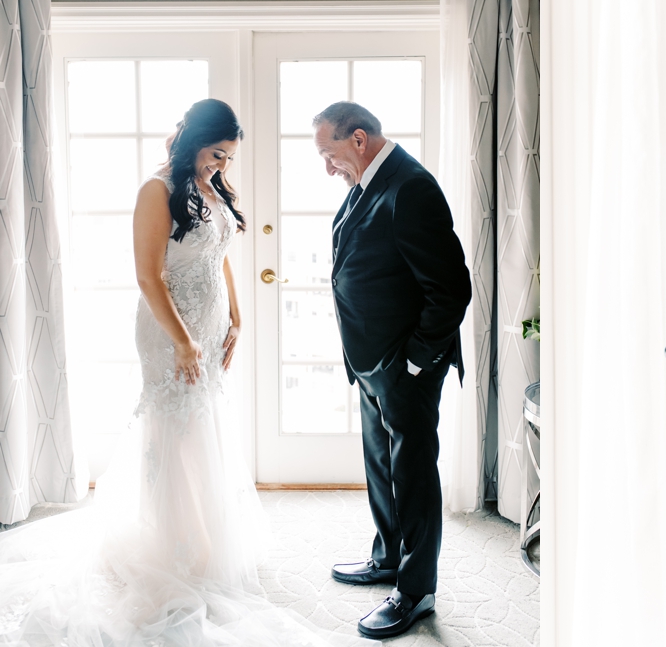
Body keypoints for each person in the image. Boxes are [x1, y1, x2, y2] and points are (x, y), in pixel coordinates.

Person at [0, 99, 356, 646]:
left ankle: (201, 533)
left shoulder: (209, 187)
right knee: (174, 428)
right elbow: (148, 276)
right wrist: (185, 342)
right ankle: (171, 545)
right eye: (217, 154)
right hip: (170, 333)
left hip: (209, 327)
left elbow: (220, 251)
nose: (222, 166)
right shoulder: (156, 190)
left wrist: (236, 312)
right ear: (193, 139)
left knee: (203, 427)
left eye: (229, 158)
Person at [312, 101, 471, 639]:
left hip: (405, 364)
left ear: (358, 139)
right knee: (381, 466)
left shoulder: (411, 188)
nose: (327, 167)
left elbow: (451, 290)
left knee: (413, 474)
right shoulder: (364, 184)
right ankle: (387, 558)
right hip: (371, 359)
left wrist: (415, 359)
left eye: (329, 154)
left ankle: (416, 590)